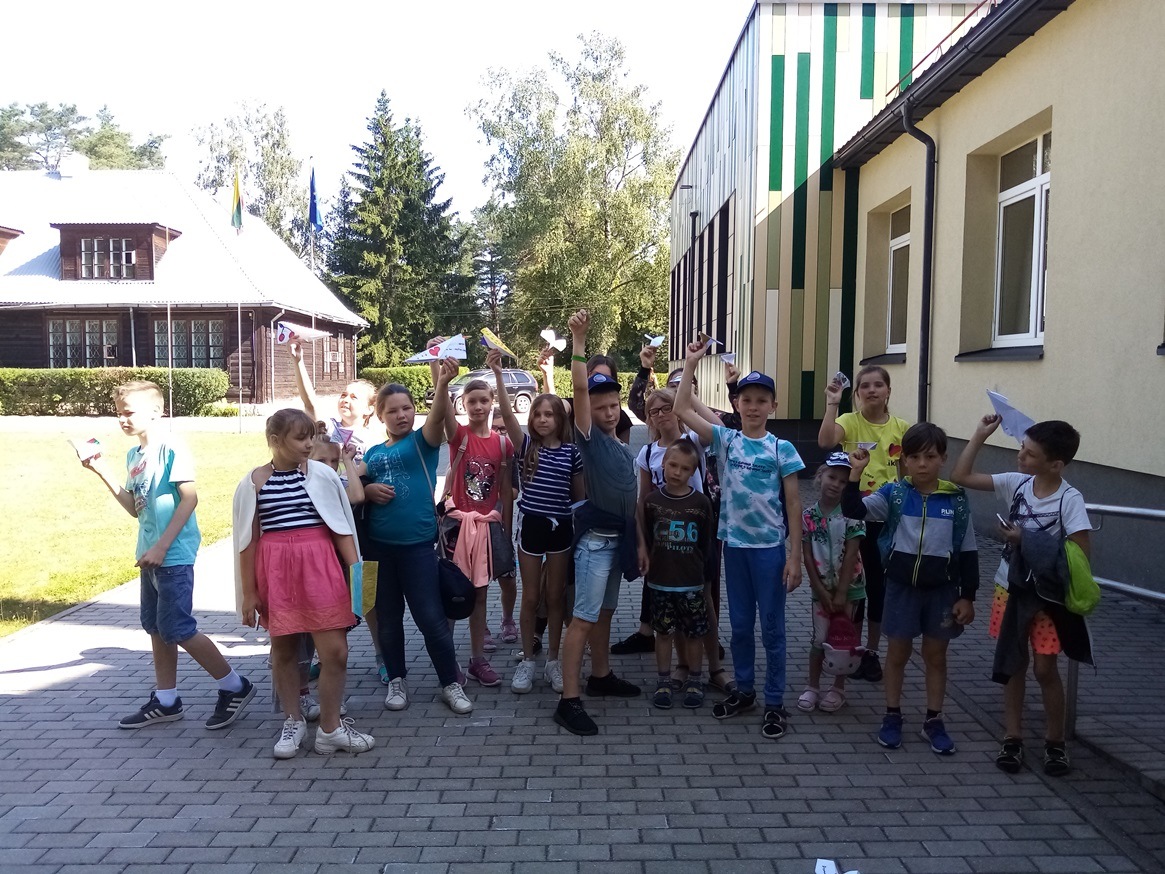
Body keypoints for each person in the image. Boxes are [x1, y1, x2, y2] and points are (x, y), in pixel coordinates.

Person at [81, 381, 254, 731]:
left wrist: (162, 546)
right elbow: (135, 507)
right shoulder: (135, 456)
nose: (122, 419)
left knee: (178, 628)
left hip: (172, 555)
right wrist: (101, 471)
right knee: (157, 628)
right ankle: (166, 699)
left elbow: (189, 498)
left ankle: (235, 685)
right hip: (149, 556)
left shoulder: (171, 447)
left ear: (156, 412)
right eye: (118, 413)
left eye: (129, 412)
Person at [673, 347, 805, 741]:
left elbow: (794, 505)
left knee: (773, 629)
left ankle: (775, 701)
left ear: (773, 406)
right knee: (741, 628)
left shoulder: (782, 449)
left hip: (770, 551)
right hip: (735, 548)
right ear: (736, 403)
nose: (753, 407)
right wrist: (691, 363)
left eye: (761, 401)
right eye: (746, 400)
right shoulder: (726, 440)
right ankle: (745, 690)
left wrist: (795, 557)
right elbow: (681, 408)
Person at [952, 416, 1092, 776]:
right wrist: (979, 434)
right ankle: (1012, 737)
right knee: (1013, 663)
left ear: (1055, 465)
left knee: (1045, 668)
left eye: (1029, 454)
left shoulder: (1070, 499)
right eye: (1022, 448)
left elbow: (1080, 555)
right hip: (1009, 589)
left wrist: (1024, 539)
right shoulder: (1018, 483)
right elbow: (961, 476)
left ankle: (1055, 742)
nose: (1020, 457)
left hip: (1046, 598)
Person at [233, 408, 373, 758]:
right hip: (277, 571)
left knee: (335, 652)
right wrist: (249, 593)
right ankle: (292, 720)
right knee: (284, 651)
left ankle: (330, 729)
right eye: (300, 438)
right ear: (275, 441)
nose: (309, 443)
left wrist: (360, 579)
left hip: (320, 567)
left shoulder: (322, 475)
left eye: (311, 436)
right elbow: (247, 541)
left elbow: (341, 527)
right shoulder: (254, 482)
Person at [840, 423, 978, 755]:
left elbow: (969, 551)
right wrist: (855, 474)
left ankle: (933, 720)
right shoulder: (894, 495)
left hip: (942, 591)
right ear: (904, 460)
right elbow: (853, 510)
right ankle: (892, 715)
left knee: (936, 656)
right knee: (897, 654)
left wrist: (968, 596)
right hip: (901, 589)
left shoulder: (956, 501)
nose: (922, 464)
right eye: (914, 457)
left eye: (929, 456)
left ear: (943, 458)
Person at [361, 359, 474, 716]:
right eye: (392, 410)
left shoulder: (423, 442)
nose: (401, 415)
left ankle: (449, 683)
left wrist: (442, 383)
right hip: (379, 550)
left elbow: (438, 418)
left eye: (407, 408)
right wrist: (368, 489)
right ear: (380, 416)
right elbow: (351, 486)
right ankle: (396, 679)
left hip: (418, 549)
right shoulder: (373, 453)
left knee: (430, 618)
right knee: (389, 619)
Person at [554, 310, 642, 736]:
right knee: (584, 619)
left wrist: (639, 543)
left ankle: (600, 676)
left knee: (604, 613)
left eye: (613, 405)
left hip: (617, 541)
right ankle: (568, 700)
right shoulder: (588, 439)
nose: (608, 412)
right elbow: (577, 389)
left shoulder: (619, 445)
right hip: (595, 544)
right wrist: (579, 341)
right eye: (599, 406)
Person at [289, 338, 389, 682]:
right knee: (323, 593)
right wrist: (299, 361)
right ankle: (321, 655)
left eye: (354, 397)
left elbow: (371, 474)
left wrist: (363, 487)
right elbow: (308, 401)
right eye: (343, 394)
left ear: (370, 409)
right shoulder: (326, 429)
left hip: (360, 525)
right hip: (321, 524)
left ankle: (382, 655)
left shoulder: (374, 437)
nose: (345, 399)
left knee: (365, 593)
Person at [491, 348, 583, 695]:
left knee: (555, 597)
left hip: (561, 530)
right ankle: (528, 660)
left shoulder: (572, 452)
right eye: (538, 414)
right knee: (530, 597)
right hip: (531, 527)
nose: (543, 419)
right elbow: (508, 416)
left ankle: (554, 661)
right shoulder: (526, 445)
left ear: (560, 419)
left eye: (550, 414)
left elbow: (578, 498)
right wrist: (499, 376)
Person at [818, 365, 910, 683]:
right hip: (853, 518)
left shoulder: (901, 428)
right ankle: (849, 648)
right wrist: (833, 402)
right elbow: (825, 441)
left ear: (888, 391)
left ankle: (871, 652)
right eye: (865, 386)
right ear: (856, 393)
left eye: (878, 385)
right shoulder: (849, 421)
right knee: (853, 587)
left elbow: (906, 476)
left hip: (885, 521)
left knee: (878, 589)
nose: (872, 390)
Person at [436, 360, 515, 687]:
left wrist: (505, 529)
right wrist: (441, 375)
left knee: (480, 594)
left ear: (492, 402)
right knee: (453, 593)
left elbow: (506, 490)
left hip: (485, 528)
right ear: (463, 405)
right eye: (472, 402)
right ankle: (447, 662)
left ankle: (477, 660)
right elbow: (442, 411)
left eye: (484, 400)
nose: (479, 406)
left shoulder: (502, 444)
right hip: (457, 528)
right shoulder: (459, 436)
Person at [637, 440, 714, 709]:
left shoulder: (701, 503)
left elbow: (705, 542)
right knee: (663, 633)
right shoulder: (652, 502)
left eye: (685, 468)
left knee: (694, 634)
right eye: (672, 465)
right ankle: (663, 681)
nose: (677, 472)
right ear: (663, 463)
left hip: (691, 583)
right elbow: (646, 537)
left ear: (693, 471)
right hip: (660, 582)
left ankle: (695, 679)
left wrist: (700, 571)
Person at [798, 453, 866, 714]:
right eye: (832, 477)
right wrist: (819, 589)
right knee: (820, 638)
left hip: (850, 590)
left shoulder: (852, 514)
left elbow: (851, 553)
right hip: (822, 591)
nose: (836, 484)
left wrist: (841, 593)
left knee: (843, 639)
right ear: (820, 476)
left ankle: (838, 688)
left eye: (843, 481)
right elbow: (806, 555)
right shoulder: (808, 516)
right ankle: (813, 686)